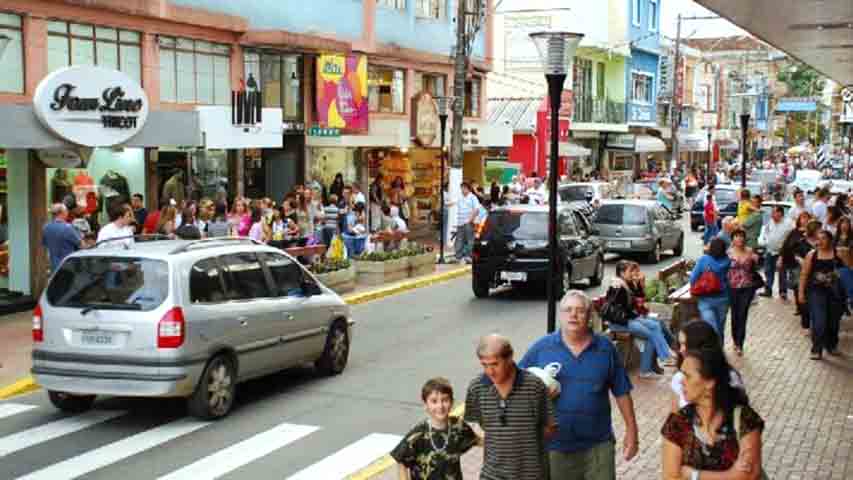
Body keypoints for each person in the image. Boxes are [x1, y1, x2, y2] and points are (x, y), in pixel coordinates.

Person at [518, 291, 638, 479]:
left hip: (598, 446)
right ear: (560, 315)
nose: (573, 315)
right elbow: (516, 383)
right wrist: (538, 392)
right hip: (556, 447)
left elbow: (622, 392)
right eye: (568, 310)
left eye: (580, 310)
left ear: (590, 316)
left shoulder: (606, 349)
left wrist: (632, 431)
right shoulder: (542, 348)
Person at [661, 347, 765, 480]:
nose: (681, 381)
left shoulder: (743, 418)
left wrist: (694, 475)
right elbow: (671, 477)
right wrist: (731, 476)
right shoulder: (677, 423)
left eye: (687, 376)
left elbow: (749, 475)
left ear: (709, 382)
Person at [464, 334, 556, 480]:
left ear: (510, 357)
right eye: (484, 365)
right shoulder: (476, 387)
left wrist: (525, 441)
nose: (490, 372)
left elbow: (550, 427)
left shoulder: (534, 386)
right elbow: (484, 425)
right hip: (491, 474)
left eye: (495, 364)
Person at [390, 377, 479, 480]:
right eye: (434, 401)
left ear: (452, 402)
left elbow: (477, 440)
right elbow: (401, 460)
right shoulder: (418, 434)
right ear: (426, 405)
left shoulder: (458, 426)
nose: (440, 406)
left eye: (445, 400)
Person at [604, 261, 675, 378]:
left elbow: (638, 300)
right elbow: (615, 308)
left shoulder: (627, 283)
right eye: (630, 271)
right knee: (651, 334)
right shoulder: (616, 286)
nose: (632, 274)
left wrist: (640, 284)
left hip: (630, 319)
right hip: (619, 323)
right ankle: (653, 365)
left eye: (633, 271)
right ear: (622, 273)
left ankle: (663, 358)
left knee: (656, 326)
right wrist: (636, 316)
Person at [670, 321, 746, 412]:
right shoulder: (678, 378)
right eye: (680, 344)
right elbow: (675, 413)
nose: (681, 350)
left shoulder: (731, 377)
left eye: (685, 344)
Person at [799, 229, 845, 359]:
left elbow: (848, 270)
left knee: (833, 321)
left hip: (835, 292)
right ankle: (816, 348)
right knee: (819, 321)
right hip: (816, 292)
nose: (820, 242)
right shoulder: (811, 255)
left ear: (830, 240)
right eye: (818, 239)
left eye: (823, 238)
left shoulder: (838, 254)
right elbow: (804, 274)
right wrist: (801, 293)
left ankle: (831, 345)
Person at [690, 238, 732, 344]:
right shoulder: (728, 262)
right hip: (723, 298)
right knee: (720, 327)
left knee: (711, 327)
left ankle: (714, 352)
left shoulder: (704, 260)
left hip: (705, 299)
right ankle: (719, 351)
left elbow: (693, 278)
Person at [728, 229, 760, 356]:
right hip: (732, 287)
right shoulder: (728, 253)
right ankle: (735, 340)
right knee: (735, 315)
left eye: (741, 236)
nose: (739, 239)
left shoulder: (750, 251)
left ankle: (740, 343)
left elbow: (755, 267)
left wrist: (756, 259)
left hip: (747, 287)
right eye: (736, 236)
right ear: (733, 239)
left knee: (743, 314)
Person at [758, 205, 792, 300]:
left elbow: (789, 239)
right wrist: (764, 241)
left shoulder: (788, 224)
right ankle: (768, 290)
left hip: (781, 252)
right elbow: (765, 234)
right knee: (768, 271)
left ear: (780, 213)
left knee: (782, 272)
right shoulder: (770, 222)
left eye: (774, 212)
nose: (772, 214)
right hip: (769, 251)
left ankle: (783, 291)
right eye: (772, 212)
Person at [42, 203, 81, 272]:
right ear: (62, 213)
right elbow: (81, 245)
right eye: (66, 211)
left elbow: (46, 247)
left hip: (54, 267)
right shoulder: (68, 228)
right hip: (68, 266)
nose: (67, 212)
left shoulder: (46, 227)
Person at [454, 182, 480, 263]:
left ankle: (469, 256)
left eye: (464, 188)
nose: (462, 190)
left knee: (470, 239)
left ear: (468, 189)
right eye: (461, 188)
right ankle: (458, 256)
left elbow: (477, 209)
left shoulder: (472, 197)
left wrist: (470, 220)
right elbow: (454, 204)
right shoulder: (460, 197)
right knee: (459, 239)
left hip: (468, 222)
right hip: (460, 221)